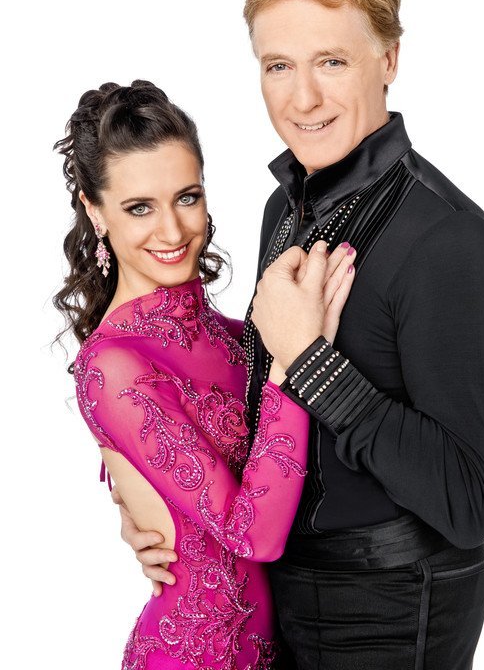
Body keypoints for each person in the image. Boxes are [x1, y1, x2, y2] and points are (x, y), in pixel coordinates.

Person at [120, 0, 484, 669]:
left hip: (392, 608)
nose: (301, 99)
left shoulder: (445, 237)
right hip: (284, 586)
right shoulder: (286, 208)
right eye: (278, 65)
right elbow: (256, 408)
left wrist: (310, 361)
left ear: (388, 60)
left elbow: (469, 503)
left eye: (330, 62)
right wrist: (151, 499)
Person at [54, 79, 356, 669]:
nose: (172, 232)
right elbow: (253, 534)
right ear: (95, 210)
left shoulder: (236, 335)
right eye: (139, 207)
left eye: (186, 197)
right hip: (193, 654)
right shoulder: (112, 365)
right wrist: (295, 359)